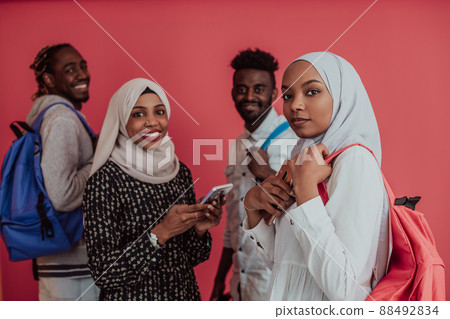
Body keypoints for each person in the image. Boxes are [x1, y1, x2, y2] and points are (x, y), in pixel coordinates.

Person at [242, 52, 390, 301]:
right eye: (288, 95)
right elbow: (285, 265)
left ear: (342, 95)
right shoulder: (302, 157)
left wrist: (306, 189)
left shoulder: (354, 160)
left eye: (312, 91)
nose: (295, 105)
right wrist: (253, 209)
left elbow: (344, 288)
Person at [83, 78, 223, 301]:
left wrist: (199, 229)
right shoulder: (105, 180)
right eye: (138, 114)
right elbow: (104, 273)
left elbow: (191, 257)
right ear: (121, 119)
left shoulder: (179, 172)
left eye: (159, 112)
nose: (152, 122)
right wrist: (161, 233)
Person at [210, 48, 297, 301]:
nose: (249, 96)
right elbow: (233, 220)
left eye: (258, 89)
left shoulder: (293, 139)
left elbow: (306, 211)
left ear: (272, 94)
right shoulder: (237, 145)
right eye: (242, 88)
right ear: (232, 92)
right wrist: (220, 279)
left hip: (277, 283)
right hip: (241, 281)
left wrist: (265, 174)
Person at [27, 43, 99, 300]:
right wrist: (99, 160)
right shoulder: (62, 119)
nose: (82, 74)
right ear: (49, 78)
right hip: (72, 267)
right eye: (70, 69)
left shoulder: (52, 116)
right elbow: (62, 195)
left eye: (83, 66)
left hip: (60, 263)